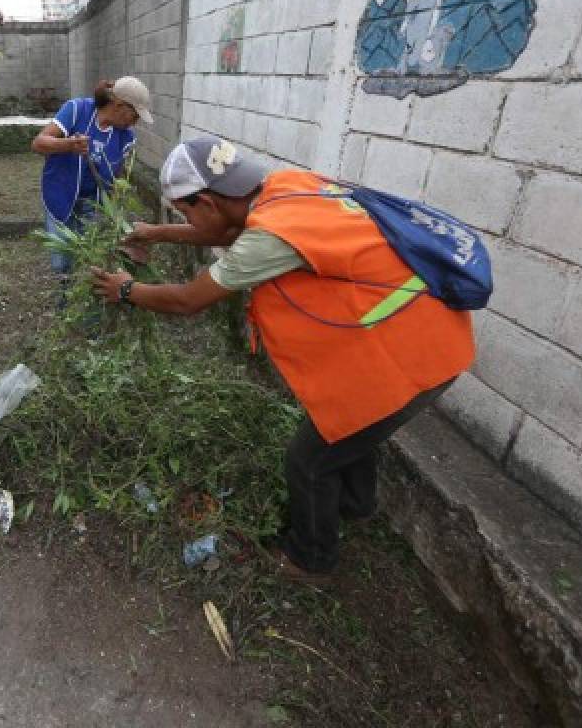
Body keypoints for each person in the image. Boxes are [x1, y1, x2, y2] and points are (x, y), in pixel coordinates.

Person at [91, 137, 475, 579]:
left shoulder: (269, 238)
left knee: (308, 460)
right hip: (422, 336)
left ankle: (309, 560)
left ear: (210, 202)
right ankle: (354, 508)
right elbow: (224, 229)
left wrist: (125, 290)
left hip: (413, 356)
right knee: (346, 430)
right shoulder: (287, 187)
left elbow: (186, 300)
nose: (187, 220)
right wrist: (156, 233)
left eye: (185, 211)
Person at [31, 76, 153, 276]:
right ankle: (64, 296)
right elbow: (38, 144)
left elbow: (117, 177)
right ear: (120, 106)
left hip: (94, 204)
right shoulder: (77, 110)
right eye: (135, 115)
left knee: (88, 259)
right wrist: (67, 145)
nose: (135, 122)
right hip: (60, 193)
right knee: (61, 262)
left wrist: (115, 212)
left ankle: (76, 297)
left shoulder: (126, 137)